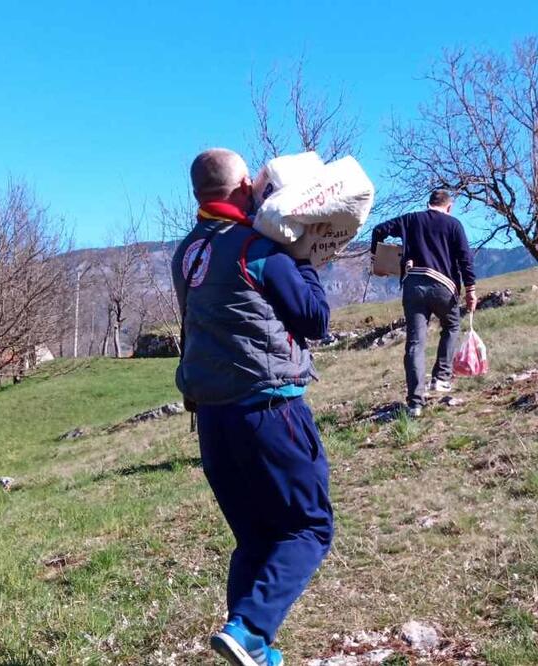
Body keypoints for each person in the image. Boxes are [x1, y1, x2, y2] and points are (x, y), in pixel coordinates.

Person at [172, 148, 332, 666]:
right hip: (270, 410)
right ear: (244, 184)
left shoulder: (186, 253)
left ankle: (253, 651)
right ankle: (251, 628)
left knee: (254, 538)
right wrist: (305, 259)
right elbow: (314, 319)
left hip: (213, 419)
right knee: (309, 527)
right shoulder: (257, 247)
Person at [370, 190, 477, 418]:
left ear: (428, 203)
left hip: (413, 285)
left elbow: (378, 230)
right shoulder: (454, 225)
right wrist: (471, 290)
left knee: (415, 343)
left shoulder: (410, 219)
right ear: (449, 206)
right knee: (451, 326)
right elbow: (464, 258)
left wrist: (377, 258)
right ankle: (441, 378)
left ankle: (415, 404)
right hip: (443, 286)